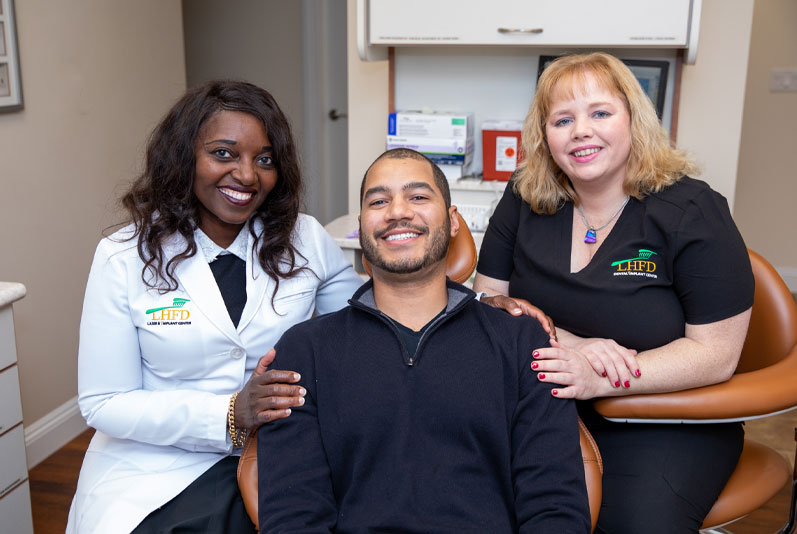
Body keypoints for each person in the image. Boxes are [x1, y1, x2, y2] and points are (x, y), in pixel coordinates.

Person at [473, 52, 755, 533]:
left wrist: (602, 377)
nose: (581, 130)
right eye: (563, 119)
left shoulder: (692, 210)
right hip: (539, 405)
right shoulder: (525, 196)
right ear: (545, 135)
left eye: (600, 112)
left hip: (662, 419)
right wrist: (577, 348)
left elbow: (717, 354)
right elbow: (489, 303)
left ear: (634, 120)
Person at [66, 80, 364, 534]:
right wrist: (230, 412)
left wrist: (477, 302)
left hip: (274, 452)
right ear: (185, 157)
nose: (247, 175)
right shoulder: (123, 256)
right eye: (224, 153)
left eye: (263, 159)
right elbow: (104, 402)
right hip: (154, 465)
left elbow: (371, 312)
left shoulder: (303, 238)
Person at [257, 148, 591, 533]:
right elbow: (293, 517)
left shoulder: (521, 342)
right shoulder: (304, 352)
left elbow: (555, 507)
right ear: (363, 226)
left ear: (452, 222)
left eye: (418, 196)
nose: (398, 211)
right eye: (379, 201)